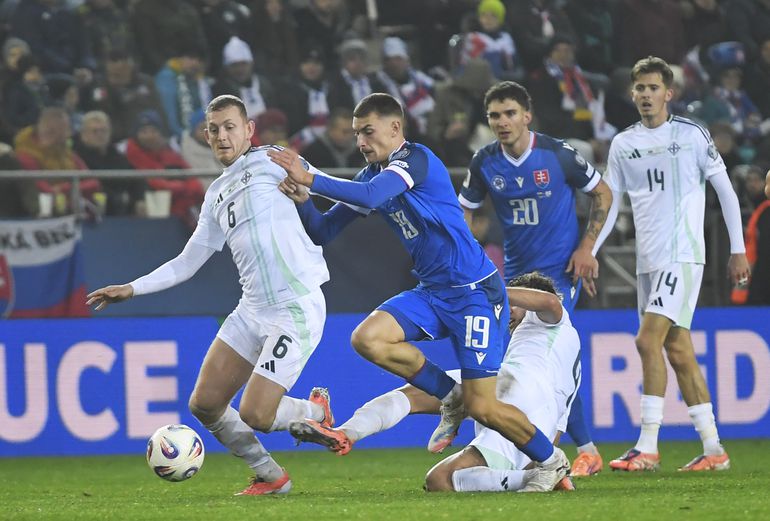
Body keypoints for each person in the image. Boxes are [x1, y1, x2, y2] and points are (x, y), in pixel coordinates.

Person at [269, 92, 570, 492]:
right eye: (358, 133)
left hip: (474, 294)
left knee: (485, 407)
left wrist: (313, 176)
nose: (360, 141)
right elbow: (323, 231)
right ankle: (449, 396)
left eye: (368, 131)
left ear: (395, 128)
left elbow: (374, 197)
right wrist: (305, 200)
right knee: (368, 338)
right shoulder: (368, 177)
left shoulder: (417, 159)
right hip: (432, 292)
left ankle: (552, 461)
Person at [86, 94, 334, 496]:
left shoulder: (275, 159)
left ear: (249, 130)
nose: (222, 136)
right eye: (214, 129)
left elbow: (331, 189)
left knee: (256, 413)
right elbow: (187, 262)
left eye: (230, 127)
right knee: (204, 404)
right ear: (205, 135)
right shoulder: (216, 193)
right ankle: (271, 476)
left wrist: (339, 197)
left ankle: (314, 411)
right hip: (252, 309)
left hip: (295, 305)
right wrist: (132, 288)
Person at [289, 272, 580, 494]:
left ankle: (347, 432)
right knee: (440, 480)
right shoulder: (565, 354)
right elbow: (558, 421)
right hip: (535, 412)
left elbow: (549, 300)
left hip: (514, 383)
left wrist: (488, 290)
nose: (508, 310)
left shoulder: (551, 320)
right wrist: (541, 459)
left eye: (515, 305)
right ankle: (535, 476)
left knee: (411, 396)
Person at [601, 56, 750, 472]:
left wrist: (738, 249)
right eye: (640, 88)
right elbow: (612, 204)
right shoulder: (623, 144)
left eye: (653, 88)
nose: (646, 95)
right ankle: (714, 448)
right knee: (679, 351)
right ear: (632, 94)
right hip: (647, 261)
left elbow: (726, 191)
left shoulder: (691, 135)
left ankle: (647, 445)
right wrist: (592, 250)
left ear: (669, 93)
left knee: (646, 341)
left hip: (683, 253)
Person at [459, 81, 612, 477]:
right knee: (525, 361)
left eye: (510, 113)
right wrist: (468, 258)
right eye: (495, 115)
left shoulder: (557, 154)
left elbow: (604, 194)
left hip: (559, 275)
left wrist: (587, 248)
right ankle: (564, 448)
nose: (502, 122)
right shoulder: (484, 162)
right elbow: (465, 213)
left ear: (527, 115)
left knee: (547, 357)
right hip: (514, 275)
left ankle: (571, 451)